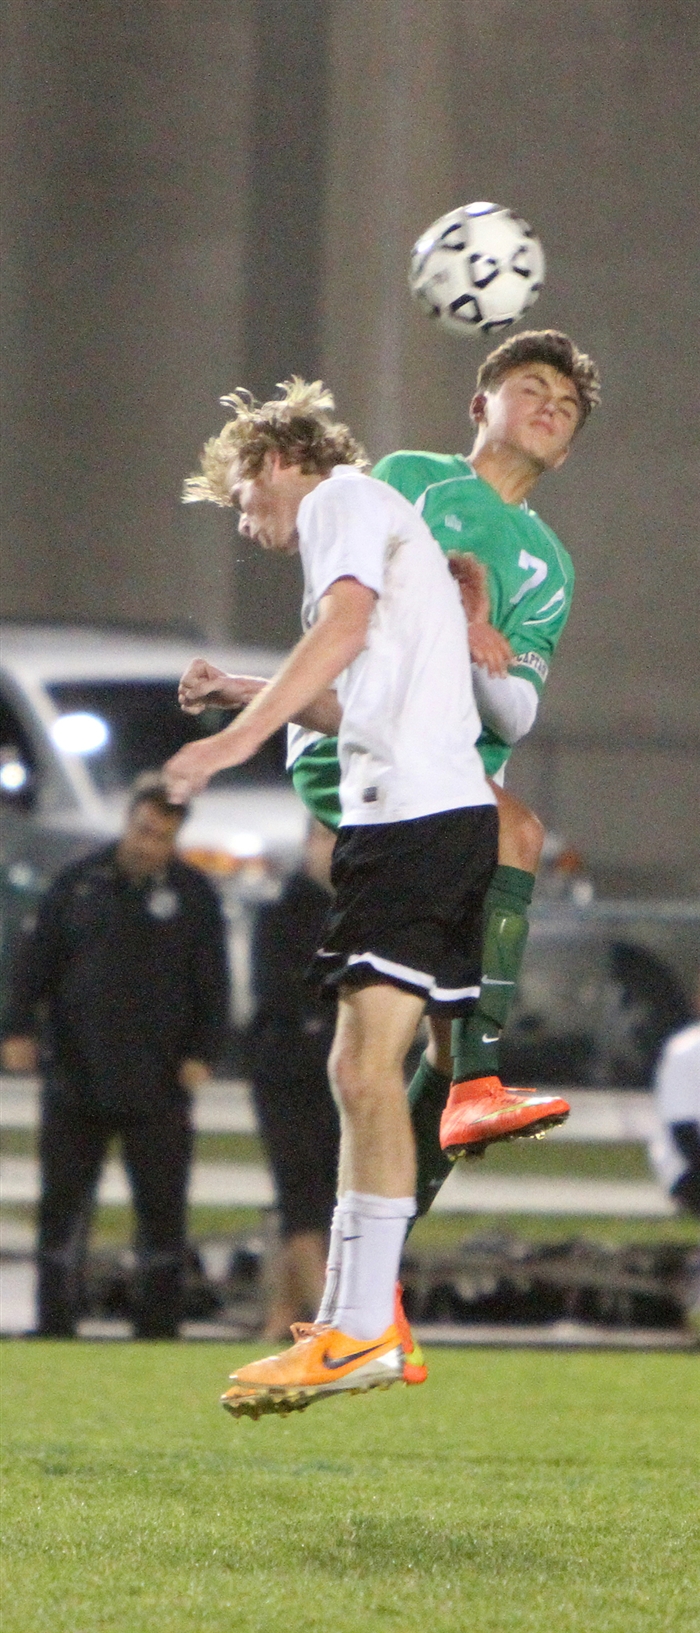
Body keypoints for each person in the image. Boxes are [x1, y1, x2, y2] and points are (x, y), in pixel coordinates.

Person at [184, 333, 601, 1225]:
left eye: (565, 408)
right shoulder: (412, 477)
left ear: (567, 449)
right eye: (530, 387)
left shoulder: (553, 565)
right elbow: (357, 623)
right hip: (390, 768)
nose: (550, 408)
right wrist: (253, 714)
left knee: (416, 1053)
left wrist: (474, 637)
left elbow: (514, 711)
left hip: (438, 776)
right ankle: (474, 1090)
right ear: (478, 404)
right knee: (517, 837)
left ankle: (382, 1255)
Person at [164, 377, 498, 1416]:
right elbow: (355, 692)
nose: (248, 526)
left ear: (270, 462)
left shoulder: (338, 501)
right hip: (431, 816)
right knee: (370, 1066)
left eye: (239, 501)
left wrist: (232, 739)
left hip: (407, 823)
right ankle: (360, 1320)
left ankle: (358, 1327)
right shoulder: (371, 514)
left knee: (359, 1067)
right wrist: (242, 692)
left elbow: (345, 624)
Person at [0, 773, 229, 1339]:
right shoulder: (79, 884)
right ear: (128, 822)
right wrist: (18, 1028)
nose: (147, 844)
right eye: (142, 829)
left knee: (161, 1209)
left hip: (160, 1078)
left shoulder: (193, 897)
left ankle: (158, 1327)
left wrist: (204, 1050)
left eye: (161, 836)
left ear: (175, 837)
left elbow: (213, 983)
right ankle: (54, 1322)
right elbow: (35, 962)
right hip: (77, 1071)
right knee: (62, 1207)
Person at [248, 817, 340, 1340]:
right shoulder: (282, 914)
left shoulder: (362, 914)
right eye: (326, 836)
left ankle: (280, 1321)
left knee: (323, 1198)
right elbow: (279, 994)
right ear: (307, 842)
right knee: (302, 1198)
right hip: (288, 1074)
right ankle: (332, 1324)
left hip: (335, 1077)